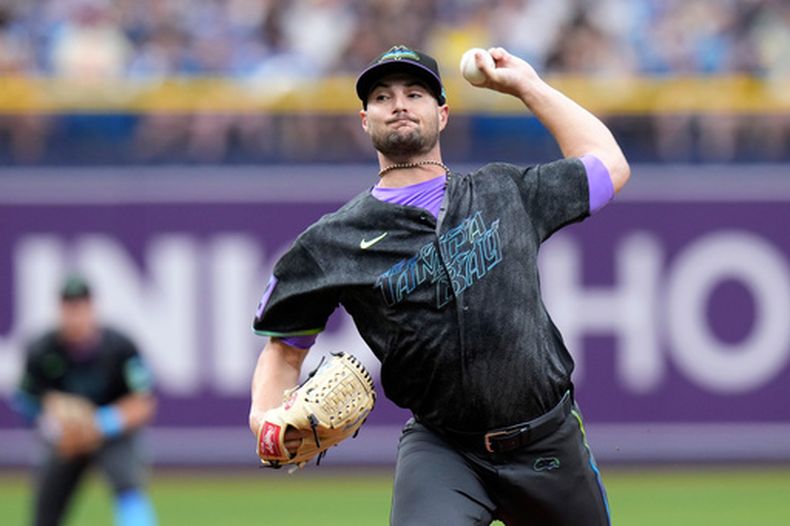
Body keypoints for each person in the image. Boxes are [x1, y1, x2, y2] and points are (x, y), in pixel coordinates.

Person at [249, 44, 630, 525]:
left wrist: (528, 87)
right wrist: (264, 418)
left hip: (547, 440)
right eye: (383, 97)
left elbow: (609, 165)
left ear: (442, 114)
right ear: (365, 120)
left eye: (415, 92)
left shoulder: (504, 192)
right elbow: (284, 349)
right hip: (444, 451)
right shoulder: (333, 241)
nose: (400, 104)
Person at [12, 274, 158, 526]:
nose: (75, 314)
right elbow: (26, 397)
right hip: (67, 437)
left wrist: (100, 423)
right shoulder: (42, 350)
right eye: (69, 307)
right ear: (60, 309)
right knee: (46, 505)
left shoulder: (120, 347)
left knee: (129, 487)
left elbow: (143, 402)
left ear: (92, 307)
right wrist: (52, 424)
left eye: (80, 306)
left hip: (113, 434)